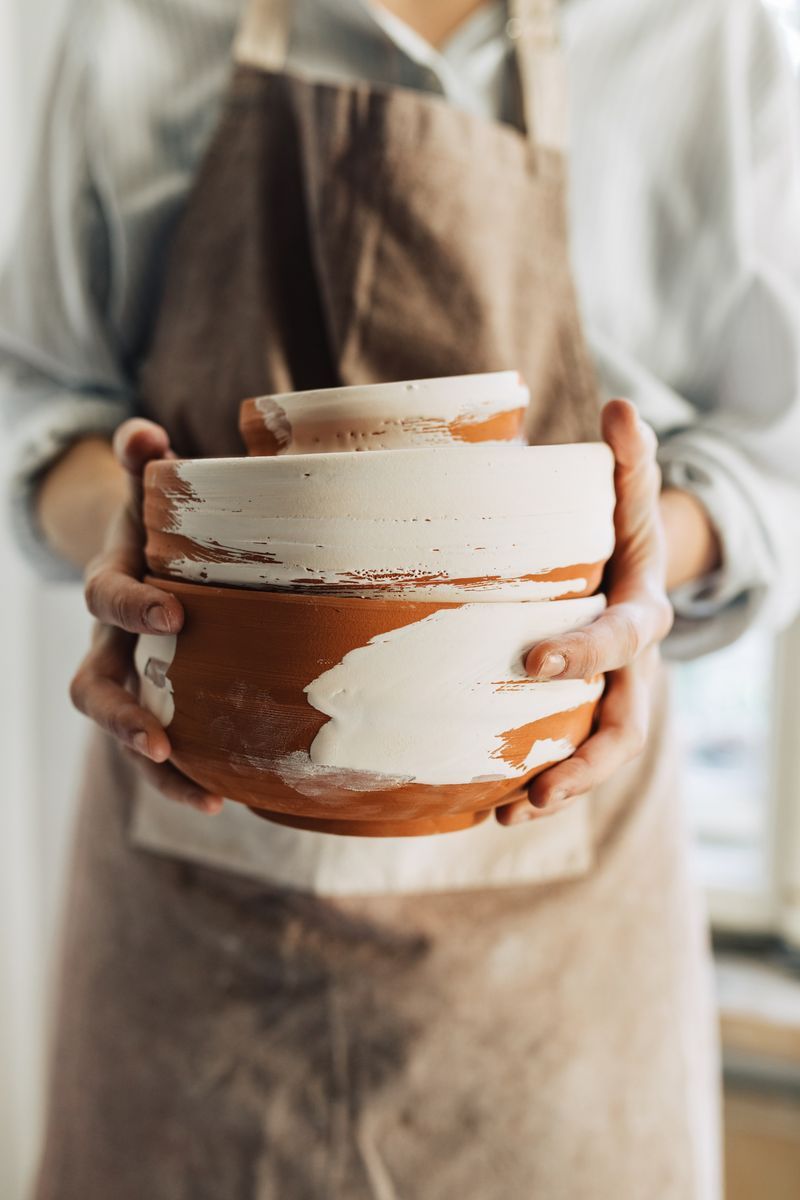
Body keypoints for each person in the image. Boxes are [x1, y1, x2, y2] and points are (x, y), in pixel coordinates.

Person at [2, 0, 800, 1195]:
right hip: (195, 892)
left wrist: (650, 558)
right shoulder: (130, 20)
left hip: (556, 930)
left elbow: (773, 452)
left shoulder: (702, 31)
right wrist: (118, 525)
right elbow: (39, 408)